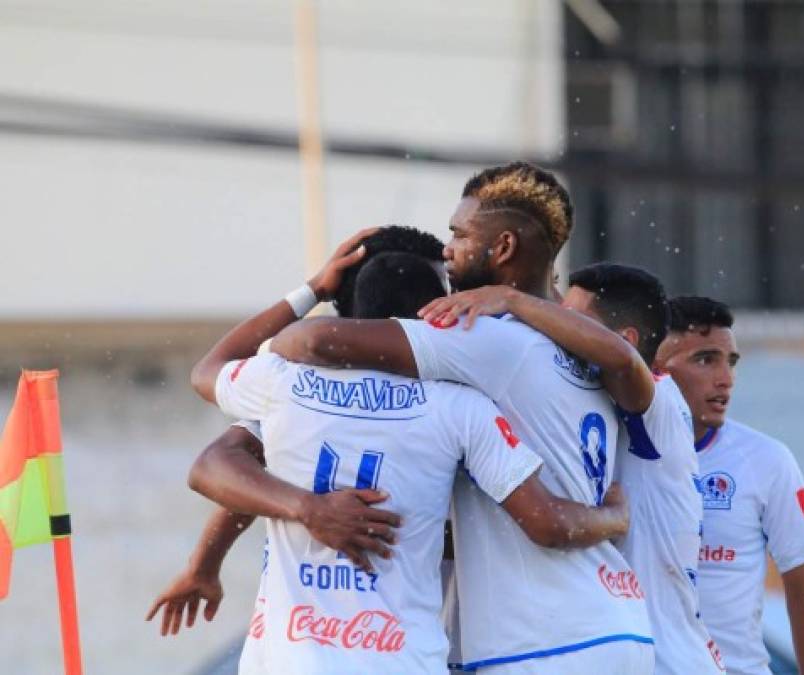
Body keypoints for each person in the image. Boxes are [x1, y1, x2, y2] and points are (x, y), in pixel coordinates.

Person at [176, 228, 633, 674]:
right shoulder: (462, 406)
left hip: (288, 659)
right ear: (428, 315)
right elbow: (547, 522)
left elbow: (216, 448)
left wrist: (310, 290)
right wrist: (615, 516)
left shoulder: (283, 382)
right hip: (403, 659)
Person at [264, 162, 655, 673]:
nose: (448, 248)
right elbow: (632, 376)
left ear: (504, 248)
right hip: (617, 623)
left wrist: (319, 295)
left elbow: (312, 341)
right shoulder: (582, 351)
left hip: (544, 642)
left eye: (459, 233)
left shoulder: (483, 337)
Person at [147, 226, 456, 638]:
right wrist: (309, 509)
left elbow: (222, 437)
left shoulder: (295, 385)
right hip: (381, 637)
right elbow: (228, 468)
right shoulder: (302, 386)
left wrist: (311, 290)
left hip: (401, 628)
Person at [420, 261, 725, 674]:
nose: (555, 329)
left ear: (622, 341)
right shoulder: (599, 401)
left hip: (666, 659)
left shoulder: (657, 400)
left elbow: (622, 363)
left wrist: (512, 299)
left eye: (570, 319)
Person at [654, 296, 804, 675]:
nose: (726, 378)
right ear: (656, 367)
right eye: (705, 359)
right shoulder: (619, 452)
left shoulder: (767, 460)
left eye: (730, 361)